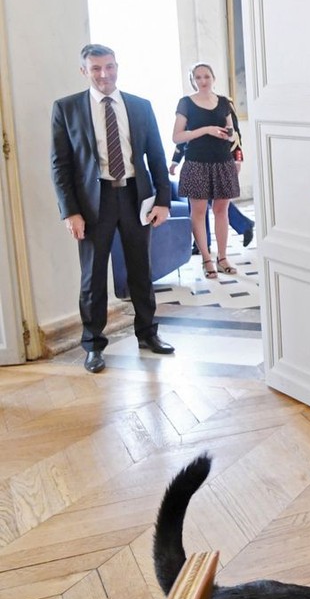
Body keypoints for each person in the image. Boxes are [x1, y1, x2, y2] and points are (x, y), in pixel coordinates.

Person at [51, 44, 176, 374]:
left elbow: (157, 157)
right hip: (95, 203)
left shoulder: (139, 106)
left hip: (136, 197)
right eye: (95, 69)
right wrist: (70, 212)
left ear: (117, 66)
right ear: (84, 71)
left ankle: (148, 334)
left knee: (140, 271)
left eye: (109, 67)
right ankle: (93, 345)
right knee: (93, 278)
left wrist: (162, 200)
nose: (104, 74)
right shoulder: (67, 109)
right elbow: (60, 165)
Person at [172, 62, 241, 279]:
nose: (203, 81)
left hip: (222, 161)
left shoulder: (223, 102)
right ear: (193, 80)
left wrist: (228, 136)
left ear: (213, 78)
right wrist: (206, 130)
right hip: (197, 163)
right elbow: (177, 136)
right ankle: (206, 258)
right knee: (199, 212)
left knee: (222, 210)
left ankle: (222, 257)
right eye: (198, 77)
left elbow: (232, 132)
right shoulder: (186, 103)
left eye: (206, 77)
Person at [170, 114, 253, 250]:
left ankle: (242, 226)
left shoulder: (223, 104)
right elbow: (183, 136)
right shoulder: (187, 106)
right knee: (199, 205)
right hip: (196, 162)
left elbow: (235, 134)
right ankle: (203, 244)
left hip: (219, 161)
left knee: (217, 203)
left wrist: (237, 159)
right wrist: (175, 160)